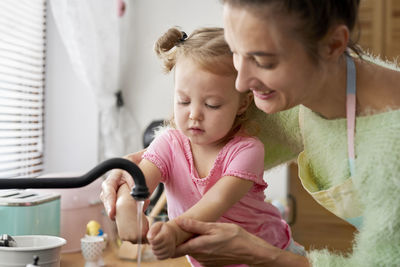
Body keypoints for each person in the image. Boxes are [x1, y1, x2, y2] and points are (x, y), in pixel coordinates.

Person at [101, 0, 400, 266]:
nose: (241, 82)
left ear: (333, 46)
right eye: (235, 53)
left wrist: (263, 255)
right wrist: (131, 174)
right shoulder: (299, 89)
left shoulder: (392, 146)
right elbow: (195, 146)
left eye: (262, 61)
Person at [113, 27, 304, 267]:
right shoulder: (168, 144)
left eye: (212, 104)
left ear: (242, 104)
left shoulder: (247, 150)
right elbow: (139, 183)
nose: (194, 114)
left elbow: (214, 203)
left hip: (270, 256)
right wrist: (126, 206)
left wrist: (174, 230)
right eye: (183, 100)